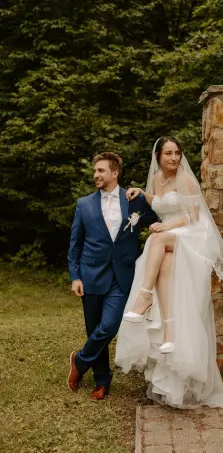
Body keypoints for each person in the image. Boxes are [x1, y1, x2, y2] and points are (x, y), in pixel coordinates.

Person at [115, 137, 223, 409]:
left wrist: (167, 227)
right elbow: (159, 202)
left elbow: (195, 217)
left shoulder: (185, 179)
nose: (174, 158)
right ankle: (170, 335)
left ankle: (144, 296)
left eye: (177, 153)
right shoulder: (157, 179)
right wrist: (142, 192)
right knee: (165, 268)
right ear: (158, 156)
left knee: (155, 240)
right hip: (173, 235)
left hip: (193, 233)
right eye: (168, 154)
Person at [67, 152, 157, 400]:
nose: (96, 175)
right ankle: (102, 380)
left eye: (101, 171)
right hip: (91, 275)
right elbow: (75, 245)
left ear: (115, 173)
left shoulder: (133, 200)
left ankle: (80, 360)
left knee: (108, 327)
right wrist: (75, 276)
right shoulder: (83, 204)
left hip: (121, 276)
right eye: (95, 171)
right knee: (94, 329)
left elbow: (156, 217)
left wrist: (150, 204)